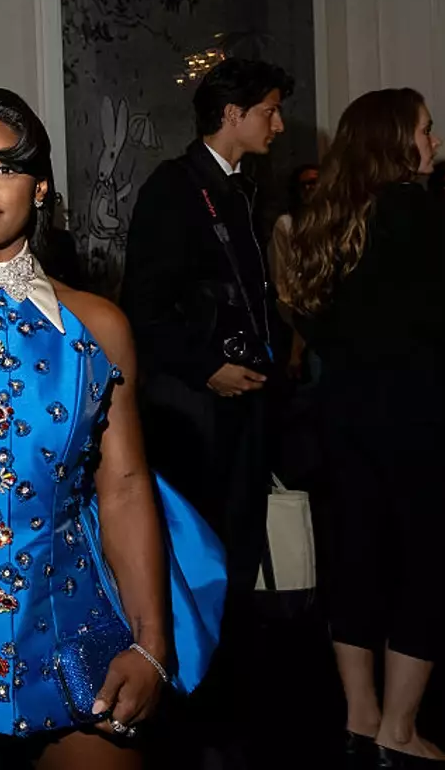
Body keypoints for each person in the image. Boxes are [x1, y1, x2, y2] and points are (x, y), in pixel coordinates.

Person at [0, 89, 224, 769]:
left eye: (4, 168)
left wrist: (152, 643)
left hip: (81, 635)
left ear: (39, 188)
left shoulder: (99, 324)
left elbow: (125, 487)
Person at [120, 56, 292, 764]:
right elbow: (143, 306)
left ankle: (224, 706)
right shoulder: (174, 187)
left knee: (240, 551)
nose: (279, 124)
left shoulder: (241, 189)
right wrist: (205, 367)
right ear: (232, 114)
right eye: (269, 111)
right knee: (201, 560)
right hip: (193, 413)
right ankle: (191, 708)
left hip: (241, 408)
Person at [284, 89, 445, 766]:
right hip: (414, 412)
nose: (435, 142)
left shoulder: (328, 215)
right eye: (426, 130)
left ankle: (361, 720)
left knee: (354, 560)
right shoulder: (418, 210)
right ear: (394, 140)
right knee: (424, 564)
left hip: (343, 412)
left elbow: (313, 318)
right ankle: (400, 733)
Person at [270, 164, 320, 383]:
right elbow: (281, 275)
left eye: (315, 182)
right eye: (305, 184)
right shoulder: (287, 225)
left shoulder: (336, 220)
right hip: (304, 312)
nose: (311, 188)